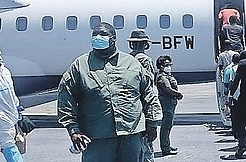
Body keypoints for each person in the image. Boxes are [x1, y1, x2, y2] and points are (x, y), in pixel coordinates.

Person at [57, 22, 162, 162]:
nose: (98, 37)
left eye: (103, 35)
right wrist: (73, 130)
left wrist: (152, 123)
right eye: (95, 35)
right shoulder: (80, 66)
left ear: (113, 39)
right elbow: (66, 99)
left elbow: (149, 94)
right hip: (97, 137)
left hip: (132, 134)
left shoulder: (132, 63)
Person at [127, 29, 160, 162]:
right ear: (146, 44)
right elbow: (149, 87)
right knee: (146, 148)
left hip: (130, 106)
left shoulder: (127, 59)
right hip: (143, 106)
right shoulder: (145, 60)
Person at [155, 55, 182, 156]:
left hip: (170, 102)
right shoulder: (162, 77)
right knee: (166, 125)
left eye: (170, 64)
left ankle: (167, 144)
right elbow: (168, 89)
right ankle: (165, 148)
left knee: (168, 125)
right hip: (167, 103)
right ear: (161, 66)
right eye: (167, 65)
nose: (169, 66)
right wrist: (178, 94)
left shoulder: (167, 75)